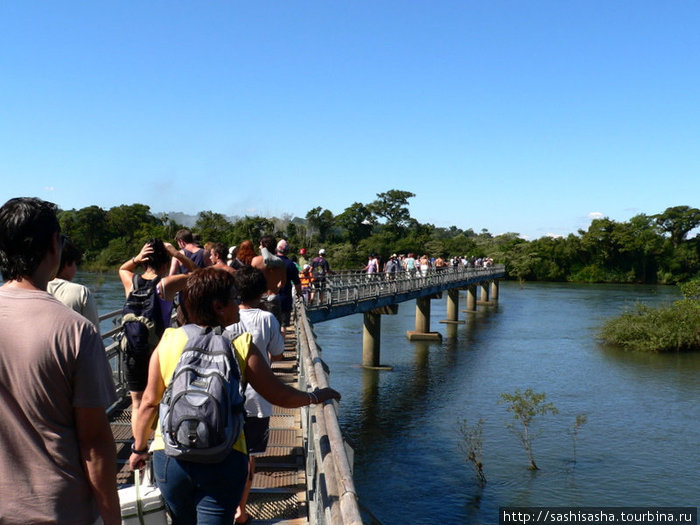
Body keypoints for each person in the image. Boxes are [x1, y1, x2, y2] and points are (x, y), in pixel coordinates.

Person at [128, 268, 341, 525]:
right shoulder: (240, 344)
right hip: (226, 456)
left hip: (170, 455)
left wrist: (138, 449)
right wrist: (316, 396)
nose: (239, 305)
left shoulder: (169, 339)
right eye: (234, 298)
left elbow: (150, 401)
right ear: (219, 307)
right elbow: (279, 395)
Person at [0, 197, 120, 525]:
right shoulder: (75, 330)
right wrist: (112, 519)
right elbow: (94, 444)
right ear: (54, 244)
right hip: (57, 509)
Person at [226, 267, 285, 525]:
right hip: (257, 398)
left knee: (225, 452)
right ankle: (240, 510)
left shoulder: (224, 316)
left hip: (226, 396)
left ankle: (221, 504)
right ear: (261, 292)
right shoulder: (267, 319)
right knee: (249, 456)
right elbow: (279, 352)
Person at [119, 239, 196, 430]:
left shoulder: (131, 282)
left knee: (137, 403)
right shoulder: (166, 284)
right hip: (158, 352)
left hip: (130, 350)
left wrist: (136, 258)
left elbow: (122, 269)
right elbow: (198, 274)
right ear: (165, 264)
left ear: (145, 262)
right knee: (158, 400)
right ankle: (156, 445)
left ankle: (139, 448)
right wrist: (177, 254)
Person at [47, 237, 100, 328]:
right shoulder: (81, 292)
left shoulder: (36, 287)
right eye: (75, 263)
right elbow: (94, 332)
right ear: (67, 264)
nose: (75, 269)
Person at [250, 235, 286, 321]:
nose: (259, 247)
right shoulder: (280, 263)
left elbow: (250, 281)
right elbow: (283, 281)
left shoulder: (256, 261)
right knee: (275, 326)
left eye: (260, 245)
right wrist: (276, 288)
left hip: (259, 298)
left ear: (264, 247)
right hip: (273, 296)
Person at [275, 239, 302, 332]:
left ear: (276, 249)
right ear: (287, 251)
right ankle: (281, 345)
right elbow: (297, 283)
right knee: (283, 325)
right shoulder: (291, 264)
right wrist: (299, 294)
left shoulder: (270, 262)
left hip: (271, 297)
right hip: (285, 298)